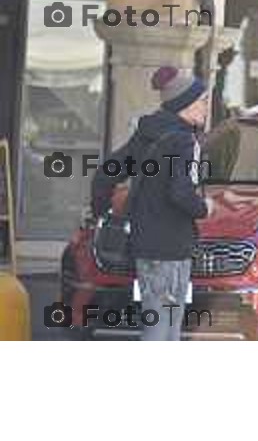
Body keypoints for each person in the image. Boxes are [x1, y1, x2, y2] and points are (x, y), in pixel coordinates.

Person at [92, 66, 211, 341]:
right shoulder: (184, 141)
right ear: (186, 105)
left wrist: (101, 211)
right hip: (171, 249)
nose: (206, 106)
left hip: (144, 246)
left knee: (156, 327)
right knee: (165, 333)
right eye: (203, 100)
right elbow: (180, 193)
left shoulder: (146, 135)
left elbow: (104, 174)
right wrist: (205, 208)